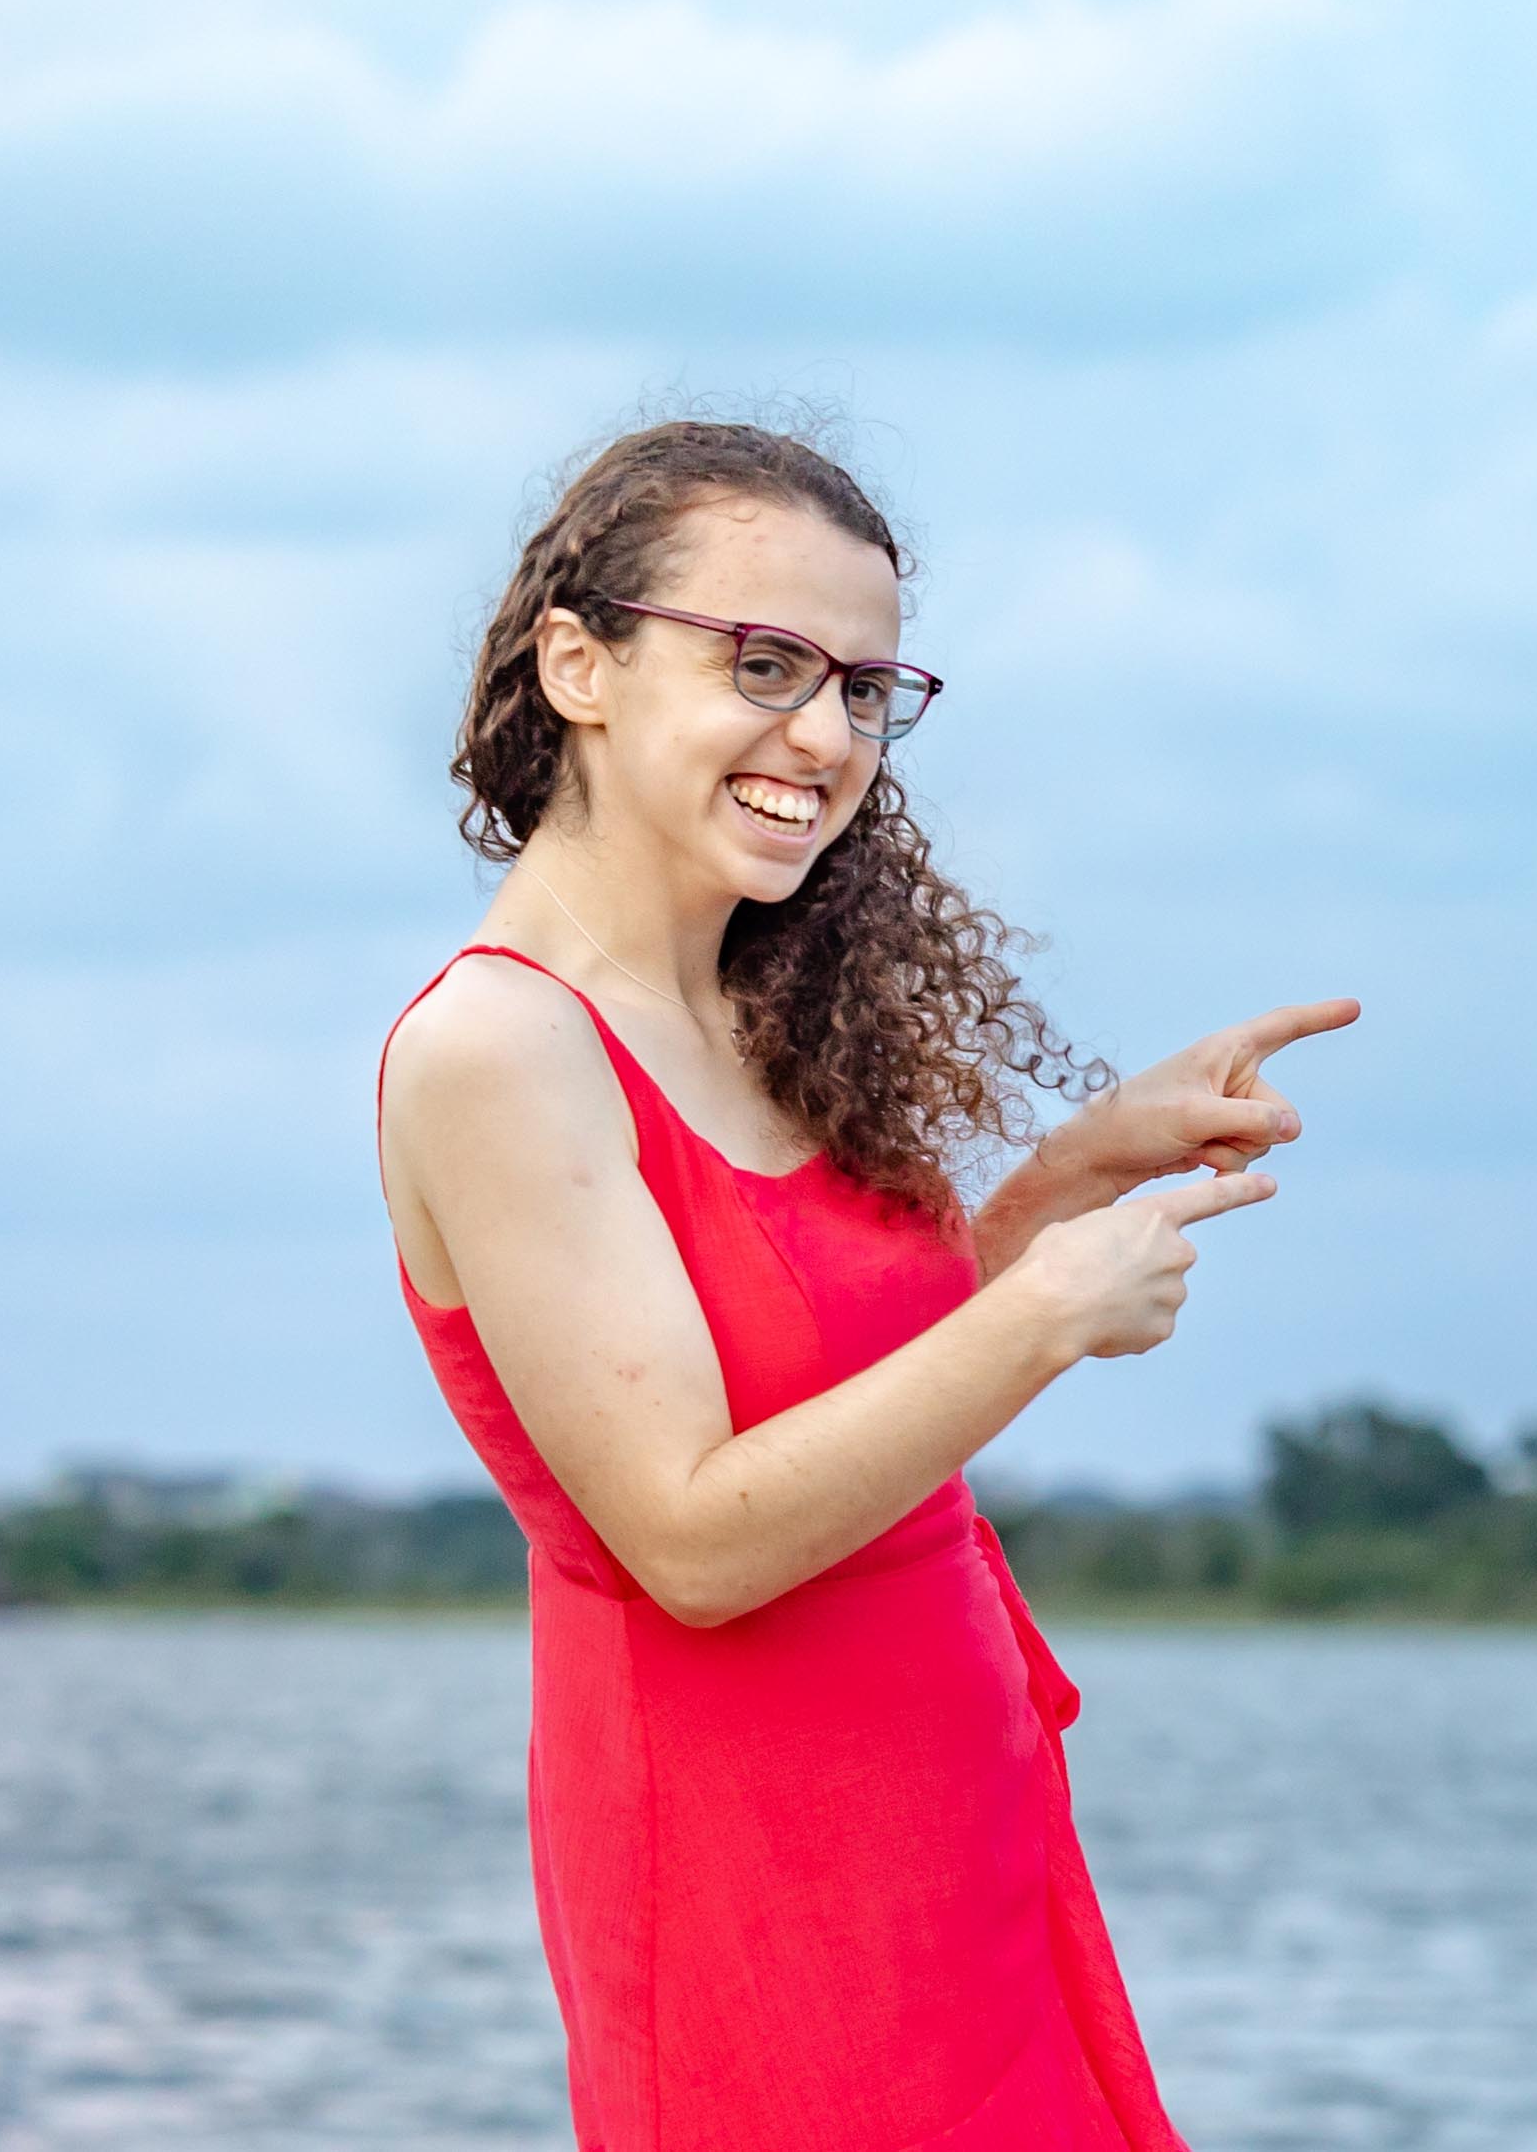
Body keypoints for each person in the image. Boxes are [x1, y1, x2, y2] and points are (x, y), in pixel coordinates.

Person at [375, 419, 1357, 2151]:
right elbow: (691, 1534)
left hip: (952, 1860)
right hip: (761, 1904)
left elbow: (825, 1392)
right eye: (765, 665)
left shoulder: (755, 1013)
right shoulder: (500, 1045)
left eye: (867, 689)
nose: (824, 737)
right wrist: (1046, 1315)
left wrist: (1066, 1180)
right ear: (578, 662)